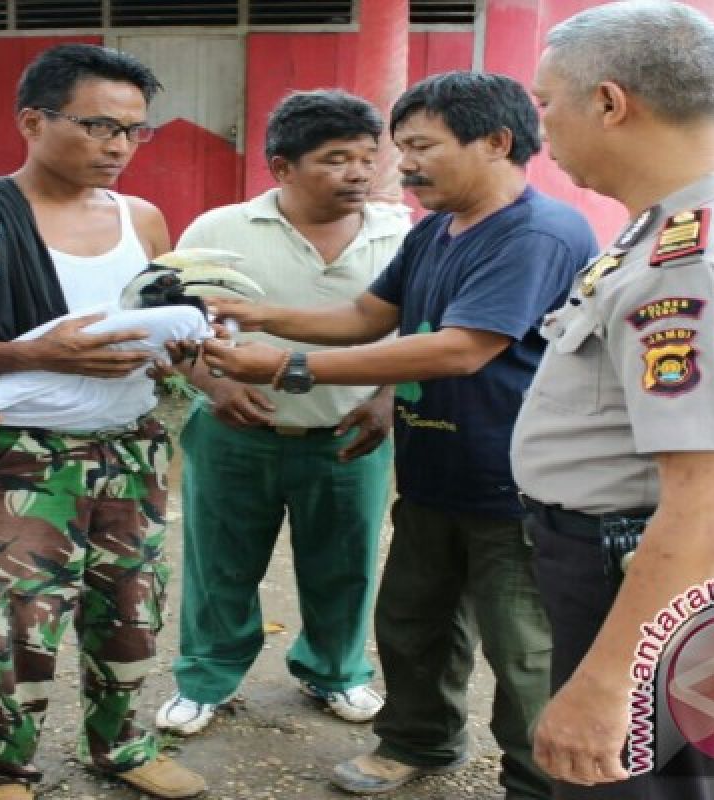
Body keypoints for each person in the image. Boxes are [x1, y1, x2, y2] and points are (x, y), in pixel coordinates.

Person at [200, 72, 598, 798]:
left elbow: (459, 348)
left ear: (496, 142)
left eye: (420, 147)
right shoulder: (438, 229)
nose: (402, 165)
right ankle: (420, 742)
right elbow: (365, 315)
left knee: (524, 649)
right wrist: (259, 317)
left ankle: (541, 782)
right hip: (435, 469)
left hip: (516, 484)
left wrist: (289, 366)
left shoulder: (538, 232)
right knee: (415, 621)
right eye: (402, 148)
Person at [515, 3, 714, 799]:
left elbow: (710, 499)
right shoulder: (683, 223)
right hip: (644, 562)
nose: (541, 127)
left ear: (610, 103)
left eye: (546, 104)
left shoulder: (697, 261)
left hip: (640, 568)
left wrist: (613, 682)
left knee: (620, 779)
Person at [0, 44, 205, 800]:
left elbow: (162, 317)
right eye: (99, 126)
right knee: (10, 620)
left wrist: (177, 360)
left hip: (130, 444)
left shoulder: (143, 217)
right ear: (33, 121)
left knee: (130, 608)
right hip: (20, 452)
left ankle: (124, 748)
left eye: (134, 131)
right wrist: (39, 353)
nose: (119, 146)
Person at [152, 90, 407, 738]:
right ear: (281, 166)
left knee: (347, 564)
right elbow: (176, 329)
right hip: (236, 433)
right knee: (219, 565)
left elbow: (418, 332)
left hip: (347, 435)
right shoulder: (219, 231)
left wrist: (385, 398)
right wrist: (214, 387)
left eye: (366, 157)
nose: (358, 173)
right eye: (335, 159)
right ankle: (205, 679)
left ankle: (336, 671)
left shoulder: (401, 232)